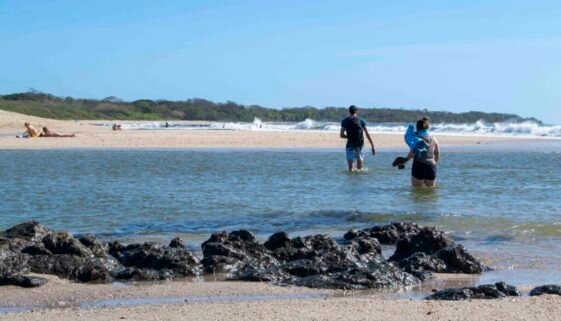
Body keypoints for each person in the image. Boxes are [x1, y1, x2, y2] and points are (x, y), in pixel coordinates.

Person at [401, 117, 440, 187]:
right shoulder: (434, 138)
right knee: (431, 193)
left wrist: (404, 160)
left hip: (419, 165)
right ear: (427, 127)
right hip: (431, 167)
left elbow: (413, 153)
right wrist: (434, 164)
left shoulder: (416, 139)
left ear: (417, 127)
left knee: (417, 193)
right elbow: (437, 153)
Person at [340, 105, 376, 172]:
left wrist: (349, 137)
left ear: (349, 111)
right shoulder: (361, 121)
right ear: (356, 111)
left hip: (350, 145)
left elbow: (341, 135)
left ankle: (351, 181)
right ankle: (359, 181)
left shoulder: (345, 121)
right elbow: (367, 134)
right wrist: (372, 146)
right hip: (360, 145)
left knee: (351, 169)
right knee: (360, 170)